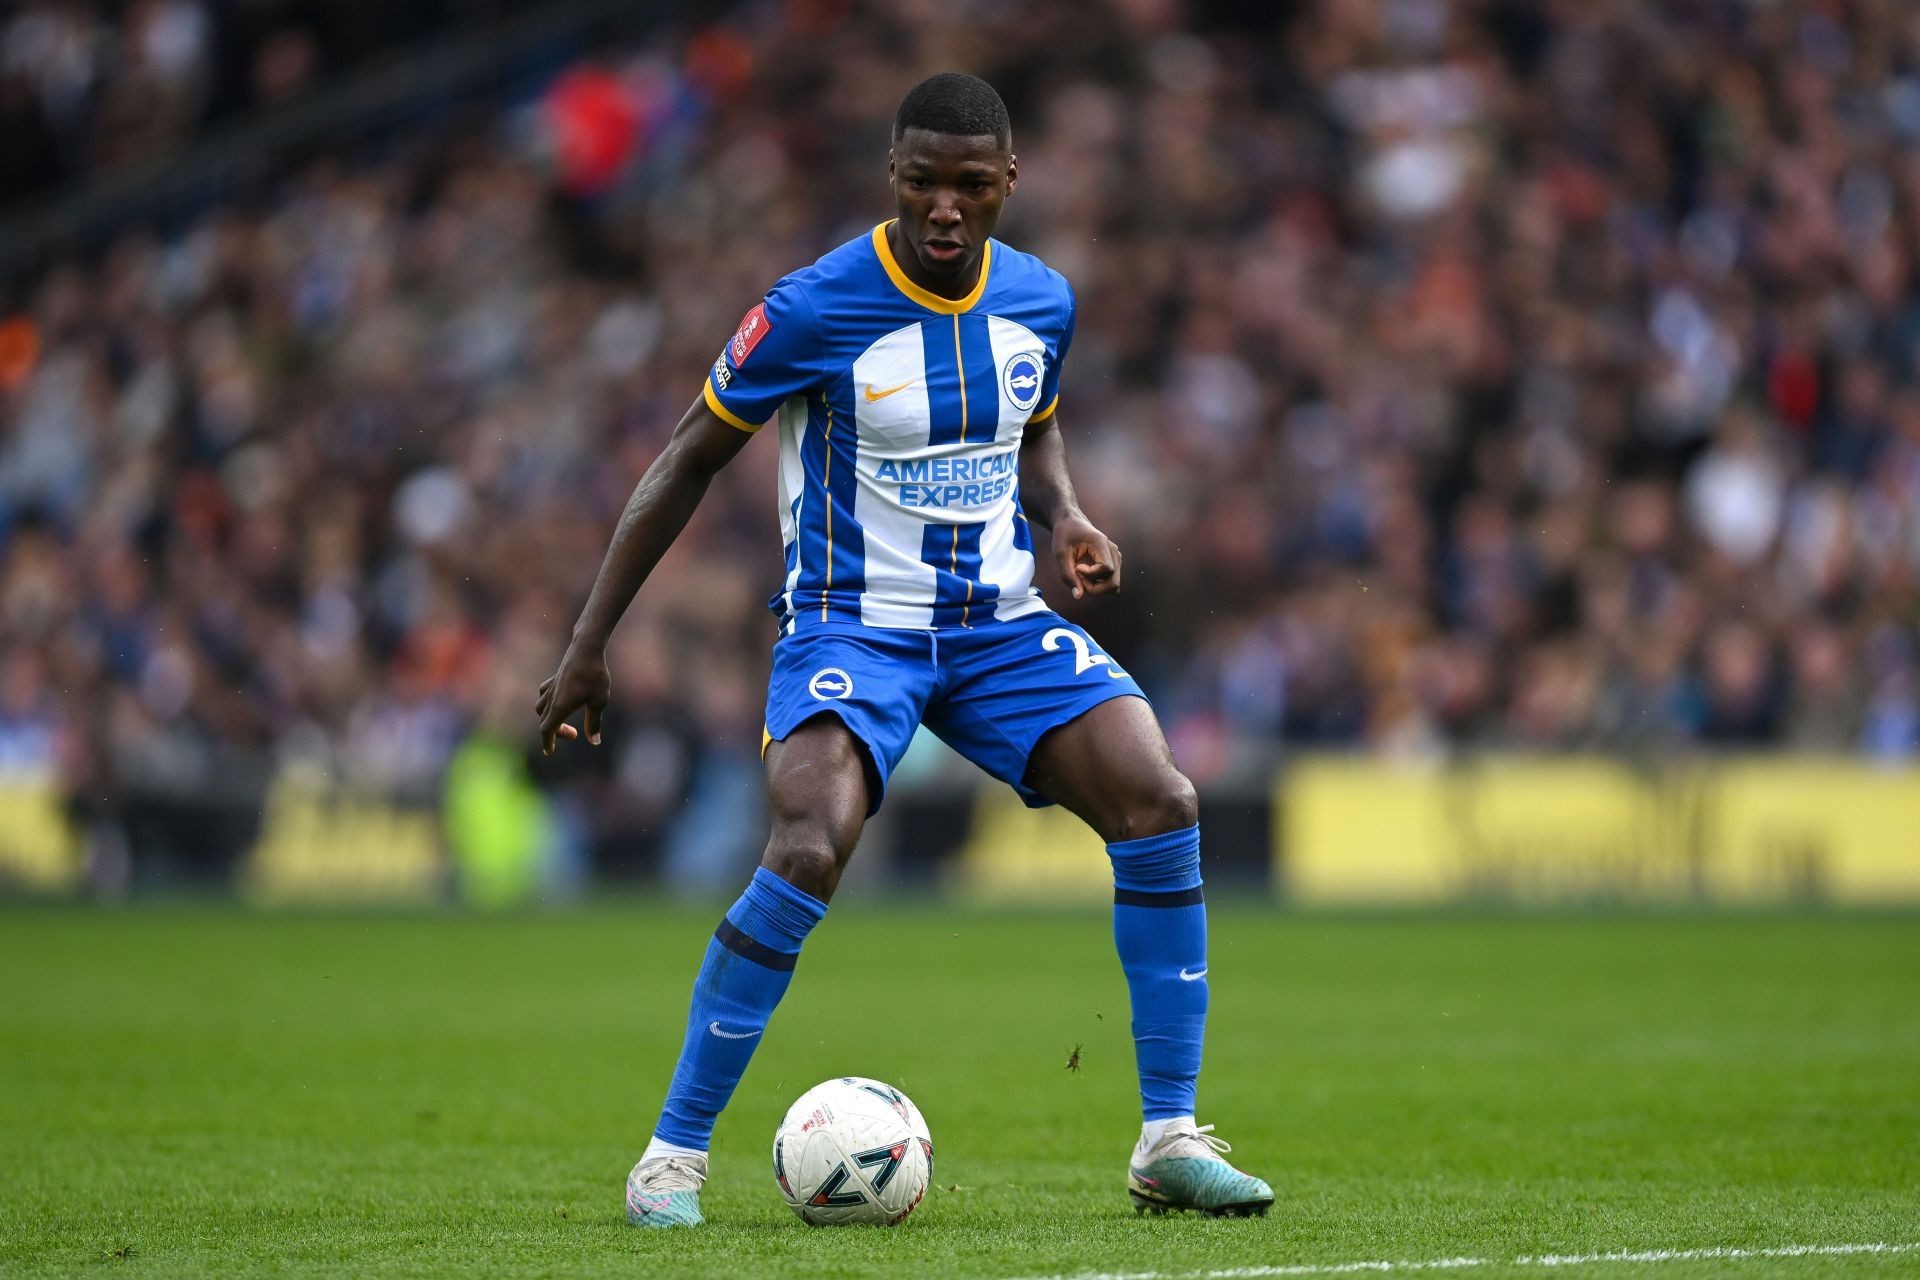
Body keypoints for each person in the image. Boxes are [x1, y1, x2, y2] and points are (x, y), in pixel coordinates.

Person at [536, 72, 1272, 1227]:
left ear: (1008, 183)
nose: (945, 207)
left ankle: (1169, 1136)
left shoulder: (1042, 298)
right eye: (923, 182)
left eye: (971, 186)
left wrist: (1064, 513)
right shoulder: (814, 306)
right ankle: (669, 1158)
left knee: (1161, 796)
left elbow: (1031, 419)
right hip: (849, 624)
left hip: (993, 624)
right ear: (893, 177)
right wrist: (588, 641)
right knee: (810, 840)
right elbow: (685, 456)